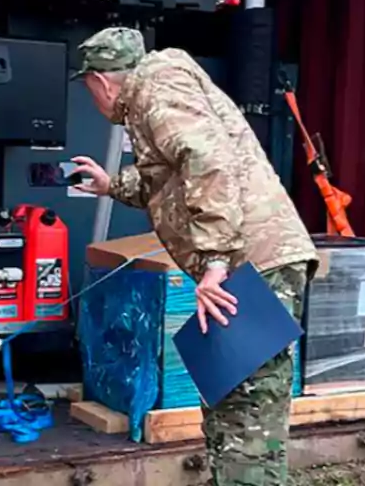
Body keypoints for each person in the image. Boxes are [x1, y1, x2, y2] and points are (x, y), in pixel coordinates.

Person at [70, 26, 318, 486]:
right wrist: (110, 184)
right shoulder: (155, 97)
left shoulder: (159, 87)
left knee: (248, 412)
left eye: (88, 88)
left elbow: (209, 161)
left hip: (253, 264)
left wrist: (216, 262)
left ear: (102, 81)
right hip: (246, 264)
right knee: (229, 400)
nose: (93, 99)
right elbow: (166, 180)